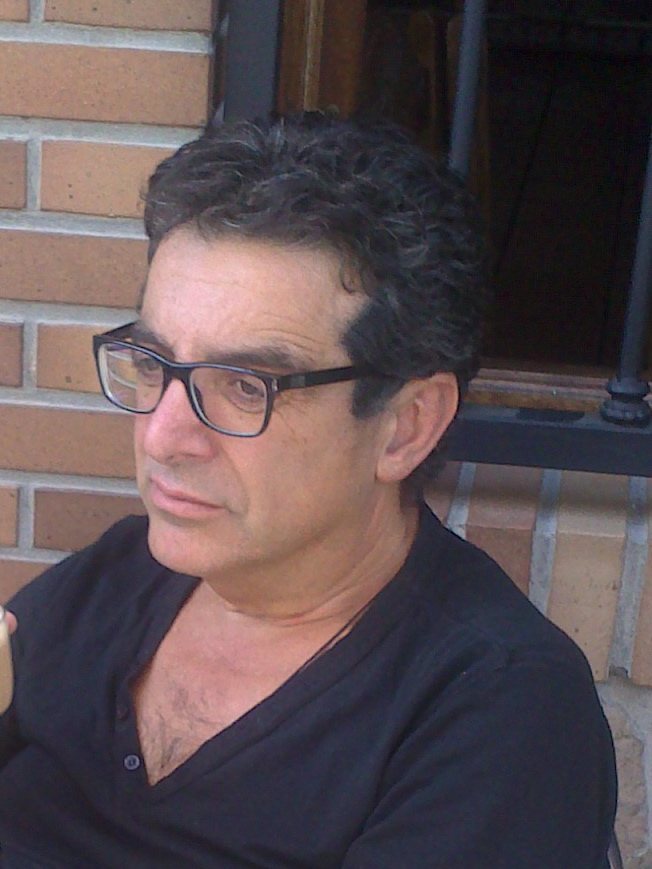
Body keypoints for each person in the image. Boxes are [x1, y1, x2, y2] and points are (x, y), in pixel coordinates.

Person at [0, 113, 616, 868]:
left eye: (245, 385)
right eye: (155, 364)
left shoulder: (498, 709)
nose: (162, 437)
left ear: (406, 426)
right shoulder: (119, 575)